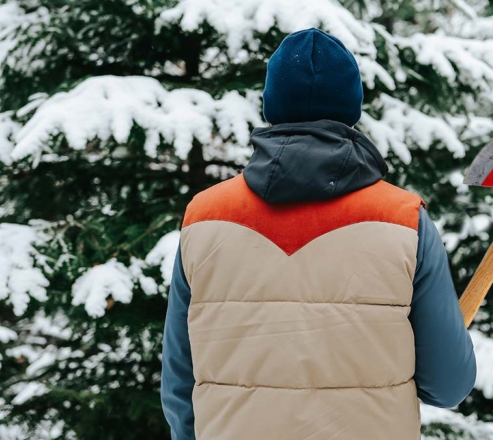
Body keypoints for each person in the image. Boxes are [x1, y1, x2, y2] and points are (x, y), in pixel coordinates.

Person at [161, 28, 476, 440]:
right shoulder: (402, 219)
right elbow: (449, 385)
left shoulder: (205, 216)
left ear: (271, 105)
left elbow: (180, 382)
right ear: (351, 107)